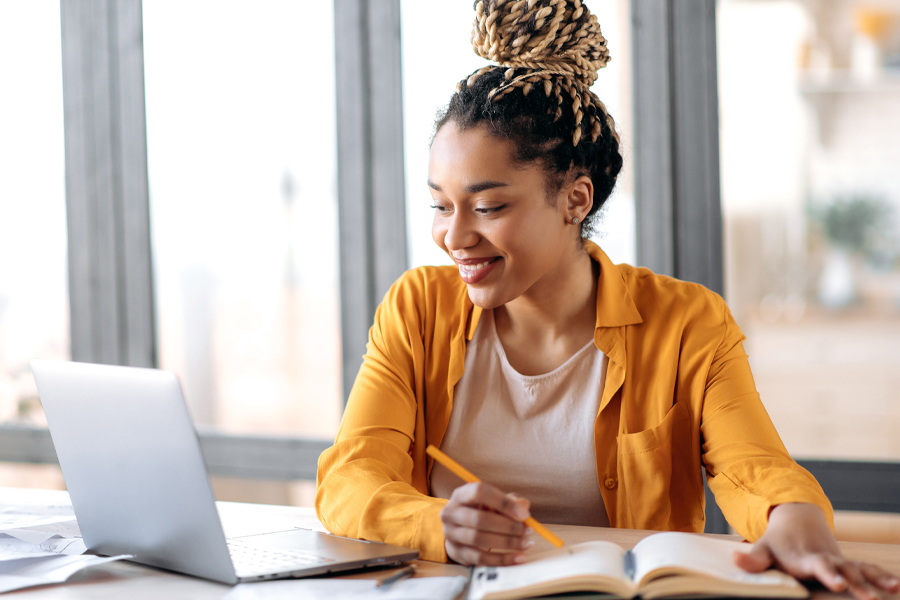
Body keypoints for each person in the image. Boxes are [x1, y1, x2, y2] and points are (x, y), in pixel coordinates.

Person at [316, 1, 899, 598]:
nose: (455, 237)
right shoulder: (416, 309)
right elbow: (350, 477)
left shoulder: (687, 323)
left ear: (575, 199)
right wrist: (434, 523)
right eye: (441, 205)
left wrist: (793, 516)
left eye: (488, 207)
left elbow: (754, 465)